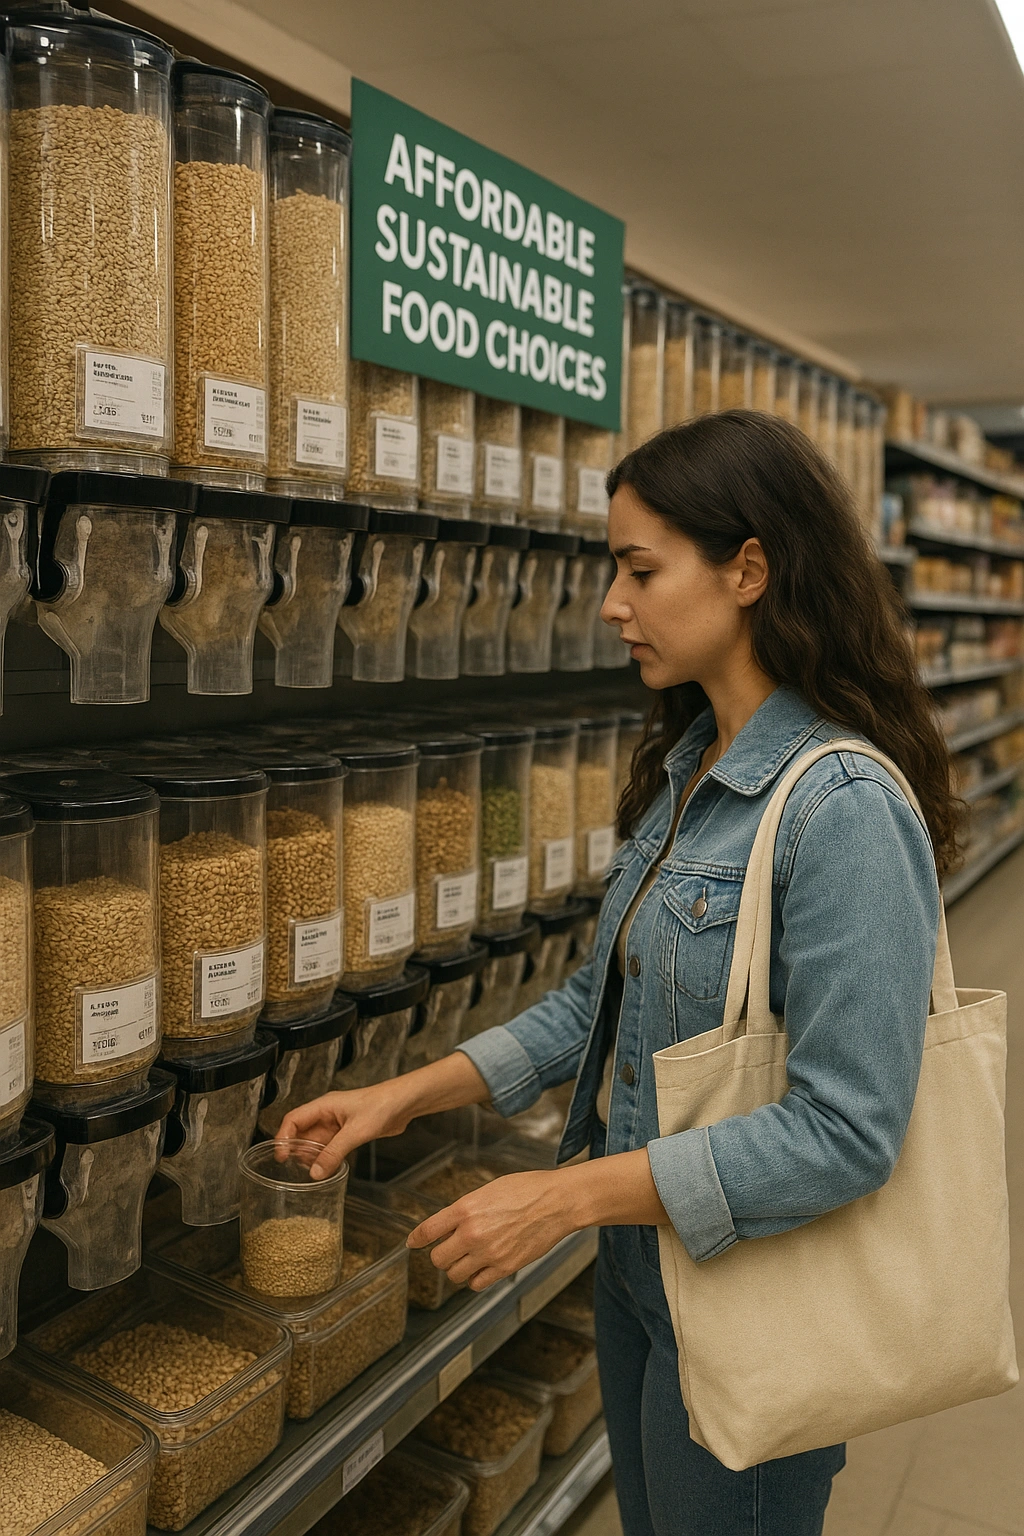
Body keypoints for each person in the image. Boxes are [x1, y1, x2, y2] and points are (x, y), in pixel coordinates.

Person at [280, 410, 959, 1536]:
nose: (613, 603)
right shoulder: (693, 766)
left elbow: (847, 1131)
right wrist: (403, 1095)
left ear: (749, 569)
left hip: (754, 1296)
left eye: (640, 569)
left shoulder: (841, 811)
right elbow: (592, 1004)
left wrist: (559, 1196)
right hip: (644, 1271)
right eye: (612, 569)